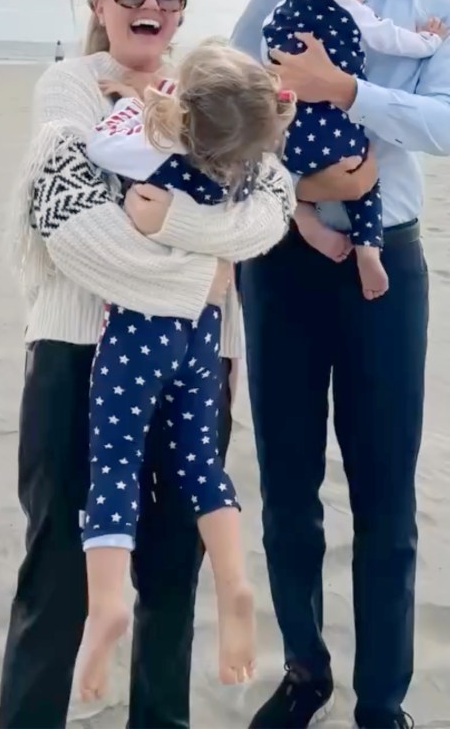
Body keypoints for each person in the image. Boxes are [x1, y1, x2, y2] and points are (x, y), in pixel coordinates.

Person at [0, 0, 295, 729]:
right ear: (101, 1)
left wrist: (166, 228)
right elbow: (74, 234)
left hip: (201, 359)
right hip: (75, 350)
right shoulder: (70, 88)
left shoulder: (209, 87)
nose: (150, 2)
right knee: (59, 570)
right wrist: (206, 265)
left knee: (171, 568)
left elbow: (272, 207)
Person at [232, 0, 450, 729]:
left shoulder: (438, 10)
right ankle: (304, 674)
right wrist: (301, 187)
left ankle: (383, 702)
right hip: (281, 262)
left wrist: (345, 89)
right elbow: (224, 112)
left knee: (385, 494)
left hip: (386, 269)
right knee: (289, 488)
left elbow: (448, 125)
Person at [75, 40, 296, 699]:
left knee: (113, 462)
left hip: (141, 326)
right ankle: (233, 582)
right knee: (200, 463)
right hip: (201, 335)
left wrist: (145, 107)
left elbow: (99, 145)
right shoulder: (248, 165)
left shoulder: (154, 148)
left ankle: (106, 602)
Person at [262, 0, 448, 299]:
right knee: (363, 180)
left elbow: (267, 55)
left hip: (292, 128)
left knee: (290, 169)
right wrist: (430, 40)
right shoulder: (348, 7)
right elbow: (389, 38)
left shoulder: (278, 11)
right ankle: (368, 250)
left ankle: (306, 219)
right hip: (335, 126)